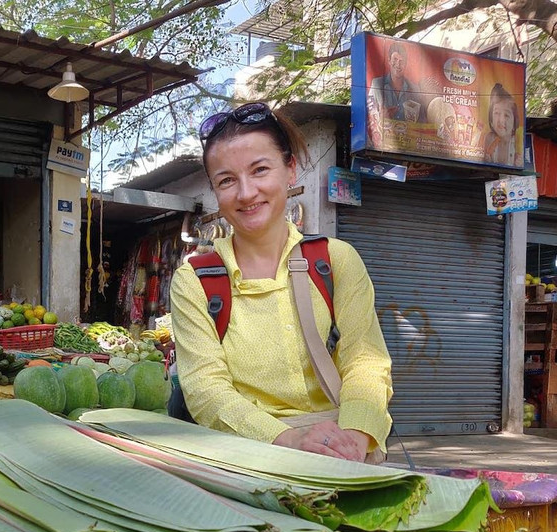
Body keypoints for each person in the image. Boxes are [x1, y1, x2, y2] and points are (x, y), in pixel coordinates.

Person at [169, 102, 393, 462]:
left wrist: (353, 439)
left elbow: (365, 363)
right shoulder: (194, 280)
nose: (246, 193)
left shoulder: (337, 260)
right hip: (247, 457)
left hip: (344, 449)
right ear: (214, 190)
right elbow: (206, 389)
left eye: (260, 170)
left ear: (290, 169)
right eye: (227, 180)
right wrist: (288, 440)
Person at [368, 41, 421, 123]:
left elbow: (423, 120)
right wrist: (380, 116)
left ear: (406, 63)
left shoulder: (415, 88)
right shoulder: (377, 84)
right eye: (395, 59)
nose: (398, 65)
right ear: (389, 61)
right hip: (384, 133)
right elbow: (369, 115)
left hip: (408, 135)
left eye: (401, 61)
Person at [482, 83, 521, 167]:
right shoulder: (489, 138)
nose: (501, 120)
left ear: (514, 122)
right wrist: (487, 160)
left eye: (506, 115)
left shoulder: (517, 141)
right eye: (496, 113)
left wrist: (520, 163)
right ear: (491, 119)